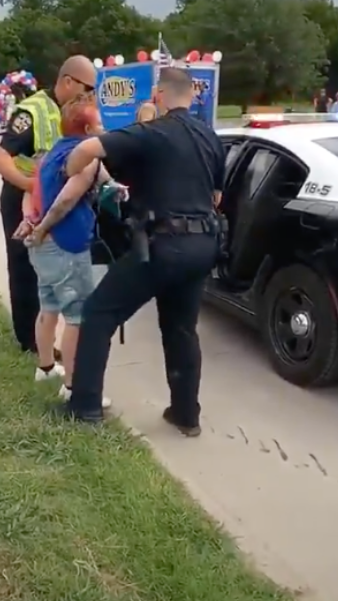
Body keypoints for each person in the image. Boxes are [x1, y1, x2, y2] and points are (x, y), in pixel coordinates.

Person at [56, 67, 225, 433]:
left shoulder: (153, 132)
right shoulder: (210, 137)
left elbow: (89, 148)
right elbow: (216, 197)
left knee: (99, 312)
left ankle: (84, 407)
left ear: (159, 95)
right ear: (192, 97)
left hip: (163, 245)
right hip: (203, 246)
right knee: (181, 329)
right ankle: (185, 415)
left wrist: (70, 169)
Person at [0, 55, 97, 359]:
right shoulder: (33, 111)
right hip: (21, 200)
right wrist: (34, 188)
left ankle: (44, 342)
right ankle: (29, 343)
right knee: (25, 270)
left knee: (49, 273)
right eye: (86, 88)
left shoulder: (70, 112)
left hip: (51, 205)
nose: (88, 96)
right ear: (67, 81)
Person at [23, 95, 119, 409]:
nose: (104, 127)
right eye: (101, 123)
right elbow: (66, 200)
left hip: (45, 248)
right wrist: (42, 227)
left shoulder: (54, 152)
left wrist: (115, 185)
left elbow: (102, 179)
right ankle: (73, 387)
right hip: (66, 244)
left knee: (48, 306)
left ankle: (46, 367)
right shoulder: (86, 157)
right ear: (89, 128)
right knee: (78, 317)